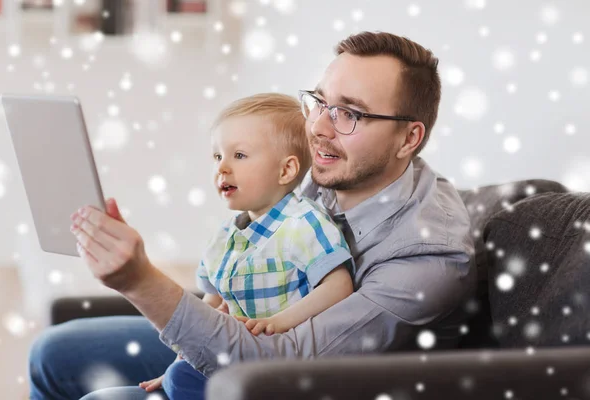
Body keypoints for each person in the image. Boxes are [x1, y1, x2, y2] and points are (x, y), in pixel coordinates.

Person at [29, 31, 476, 400]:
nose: (318, 127)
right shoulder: (329, 168)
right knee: (51, 354)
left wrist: (140, 281)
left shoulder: (428, 257)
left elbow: (274, 367)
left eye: (349, 114)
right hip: (251, 329)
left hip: (290, 380)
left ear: (408, 138)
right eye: (320, 102)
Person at [138, 92, 354, 395]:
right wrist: (181, 360)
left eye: (239, 155)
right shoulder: (224, 238)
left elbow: (339, 286)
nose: (222, 168)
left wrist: (278, 322)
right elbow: (209, 307)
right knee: (179, 376)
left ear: (286, 170)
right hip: (235, 357)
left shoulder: (303, 223)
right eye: (218, 156)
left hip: (284, 366)